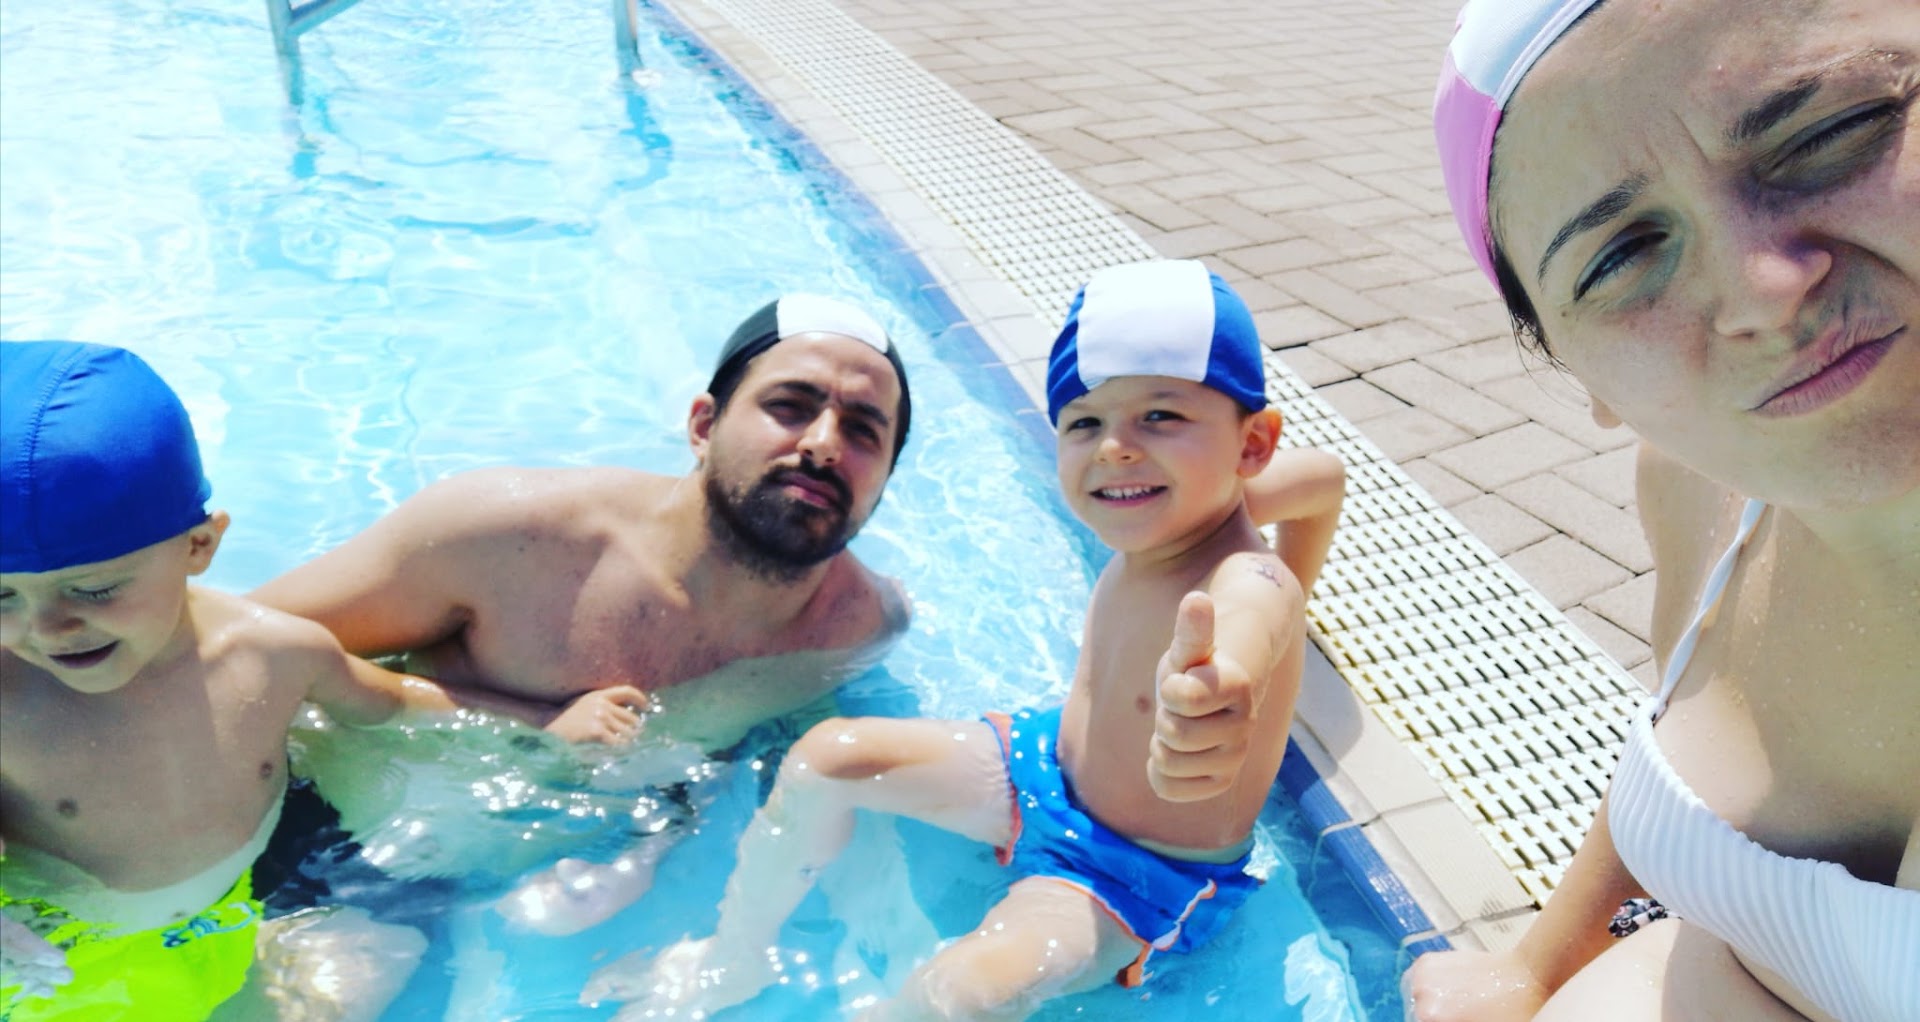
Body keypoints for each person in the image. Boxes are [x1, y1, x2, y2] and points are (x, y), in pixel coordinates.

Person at [579, 259, 1348, 1020]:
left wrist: (1223, 693)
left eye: (1160, 416)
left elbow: (1248, 626)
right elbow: (1326, 479)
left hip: (1130, 875)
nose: (1114, 448)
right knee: (828, 756)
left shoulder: (1247, 582)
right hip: (1041, 765)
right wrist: (1307, 581)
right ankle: (732, 959)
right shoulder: (1199, 500)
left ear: (1253, 444)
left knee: (965, 994)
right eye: (1084, 423)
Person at [1407, 2, 1920, 1020]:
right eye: (1620, 257)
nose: (1763, 290)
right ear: (1583, 378)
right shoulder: (1705, 490)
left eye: (1833, 132)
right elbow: (1675, 744)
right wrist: (1533, 967)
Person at [0, 342, 541, 1020]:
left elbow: (391, 704)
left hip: (230, 916)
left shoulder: (275, 652)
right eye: (2, 597)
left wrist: (545, 723)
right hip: (57, 955)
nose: (48, 627)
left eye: (94, 589)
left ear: (199, 545)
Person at [250, 293, 913, 753]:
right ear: (703, 427)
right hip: (330, 855)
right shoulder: (508, 538)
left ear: (884, 477)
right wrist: (527, 721)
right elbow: (235, 642)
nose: (823, 445)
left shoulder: (861, 629)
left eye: (863, 430)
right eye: (790, 406)